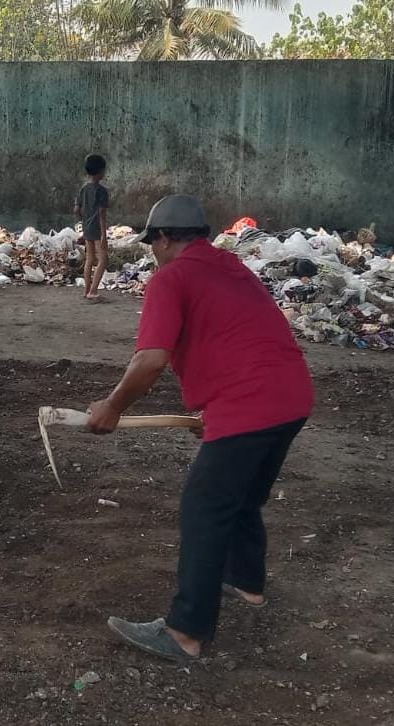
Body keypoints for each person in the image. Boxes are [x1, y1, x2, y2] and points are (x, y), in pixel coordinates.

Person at [85, 194, 314, 663]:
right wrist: (215, 408)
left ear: (165, 238)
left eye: (154, 243)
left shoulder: (172, 278)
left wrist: (111, 405)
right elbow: (240, 338)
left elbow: (150, 360)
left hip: (250, 403)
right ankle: (247, 583)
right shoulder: (230, 266)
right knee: (243, 497)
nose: (154, 251)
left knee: (205, 507)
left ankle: (185, 631)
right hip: (292, 396)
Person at [74, 154, 110, 301]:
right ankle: (93, 291)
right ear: (101, 171)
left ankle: (86, 290)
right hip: (97, 228)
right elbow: (102, 213)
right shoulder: (101, 191)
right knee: (103, 259)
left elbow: (76, 210)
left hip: (87, 227)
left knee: (89, 258)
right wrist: (103, 235)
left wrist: (82, 223)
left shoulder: (83, 189)